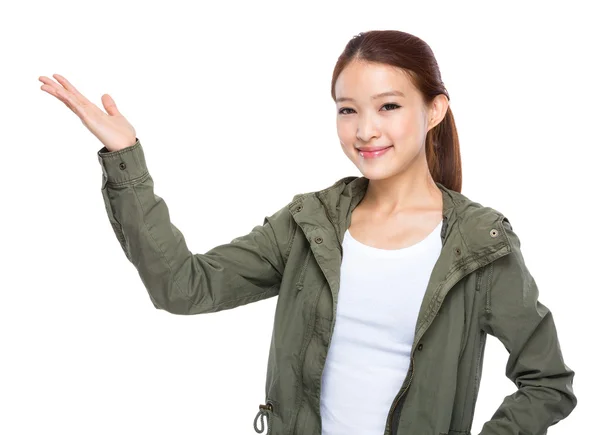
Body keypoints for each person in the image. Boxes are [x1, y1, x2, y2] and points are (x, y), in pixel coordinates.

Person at [39, 29, 576, 435]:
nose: (365, 130)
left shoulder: (479, 245)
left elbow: (546, 381)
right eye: (348, 110)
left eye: (389, 106)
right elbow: (184, 287)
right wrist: (124, 158)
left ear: (434, 110)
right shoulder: (309, 224)